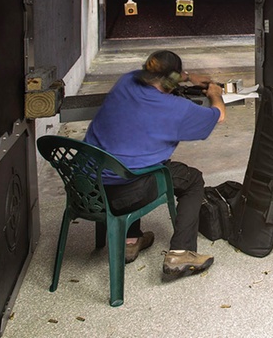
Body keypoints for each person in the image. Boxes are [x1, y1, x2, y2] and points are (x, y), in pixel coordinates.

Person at [83, 49, 226, 276]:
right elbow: (218, 115)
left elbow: (162, 77)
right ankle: (181, 253)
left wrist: (188, 76)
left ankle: (130, 240)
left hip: (87, 186)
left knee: (130, 158)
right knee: (192, 180)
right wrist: (216, 94)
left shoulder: (126, 81)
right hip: (126, 193)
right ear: (172, 81)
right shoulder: (177, 109)